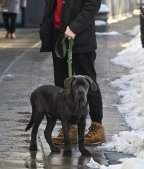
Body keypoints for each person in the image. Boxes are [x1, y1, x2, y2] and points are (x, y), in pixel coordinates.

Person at [39, 0, 106, 145]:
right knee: (63, 84)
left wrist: (74, 28)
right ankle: (70, 127)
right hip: (58, 34)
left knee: (88, 84)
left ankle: (97, 126)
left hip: (80, 36)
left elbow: (92, 5)